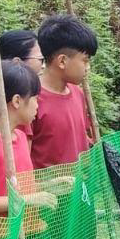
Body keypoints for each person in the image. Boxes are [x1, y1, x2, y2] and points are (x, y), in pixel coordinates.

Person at [0, 59, 56, 216]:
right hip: (2, 237)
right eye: (35, 98)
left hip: (30, 231)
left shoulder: (21, 137)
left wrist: (48, 185)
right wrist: (29, 199)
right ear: (17, 101)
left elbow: (20, 187)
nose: (37, 105)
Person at [30, 14, 98, 170]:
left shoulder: (78, 94)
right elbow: (23, 157)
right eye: (85, 60)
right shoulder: (33, 100)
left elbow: (78, 138)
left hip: (82, 189)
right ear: (62, 61)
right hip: (52, 192)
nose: (88, 68)